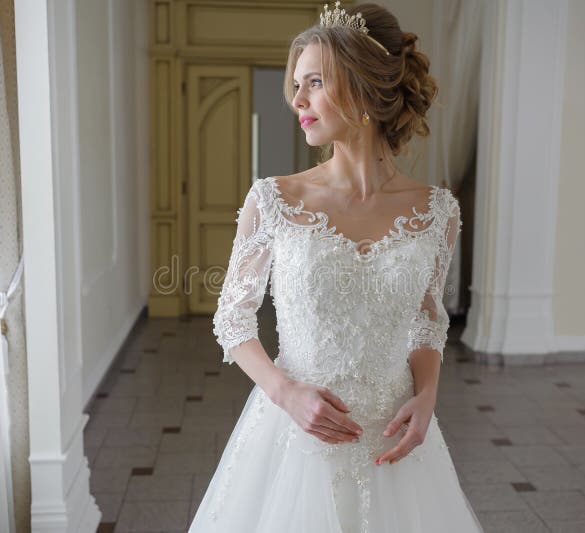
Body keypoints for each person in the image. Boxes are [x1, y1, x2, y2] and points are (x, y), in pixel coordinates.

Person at [188, 3, 483, 531]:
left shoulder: (438, 213)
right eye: (297, 84)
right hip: (296, 436)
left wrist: (427, 395)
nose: (297, 100)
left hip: (395, 438)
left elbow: (428, 320)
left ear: (364, 86)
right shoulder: (274, 200)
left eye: (316, 82)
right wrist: (286, 393)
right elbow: (232, 318)